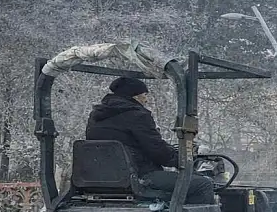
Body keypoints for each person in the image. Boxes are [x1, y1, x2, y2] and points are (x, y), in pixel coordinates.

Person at [85, 77, 214, 204]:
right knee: (203, 185)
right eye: (145, 95)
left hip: (103, 180)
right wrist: (183, 159)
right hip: (139, 176)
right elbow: (157, 150)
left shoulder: (96, 117)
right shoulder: (138, 115)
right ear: (135, 96)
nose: (146, 100)